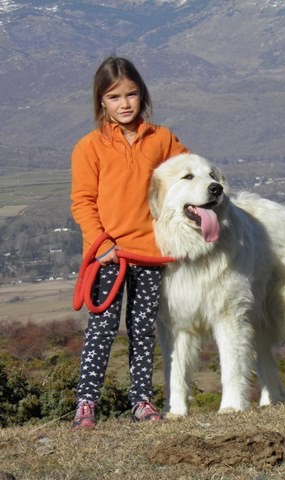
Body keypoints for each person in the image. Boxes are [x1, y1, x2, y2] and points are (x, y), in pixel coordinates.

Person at [69, 56, 189, 429]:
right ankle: (86, 403)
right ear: (100, 102)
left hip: (150, 254)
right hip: (109, 256)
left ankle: (141, 401)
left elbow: (189, 175)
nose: (124, 103)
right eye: (114, 96)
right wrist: (100, 241)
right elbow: (83, 201)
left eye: (132, 94)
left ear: (143, 95)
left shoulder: (163, 139)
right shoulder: (89, 147)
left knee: (142, 330)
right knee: (101, 330)